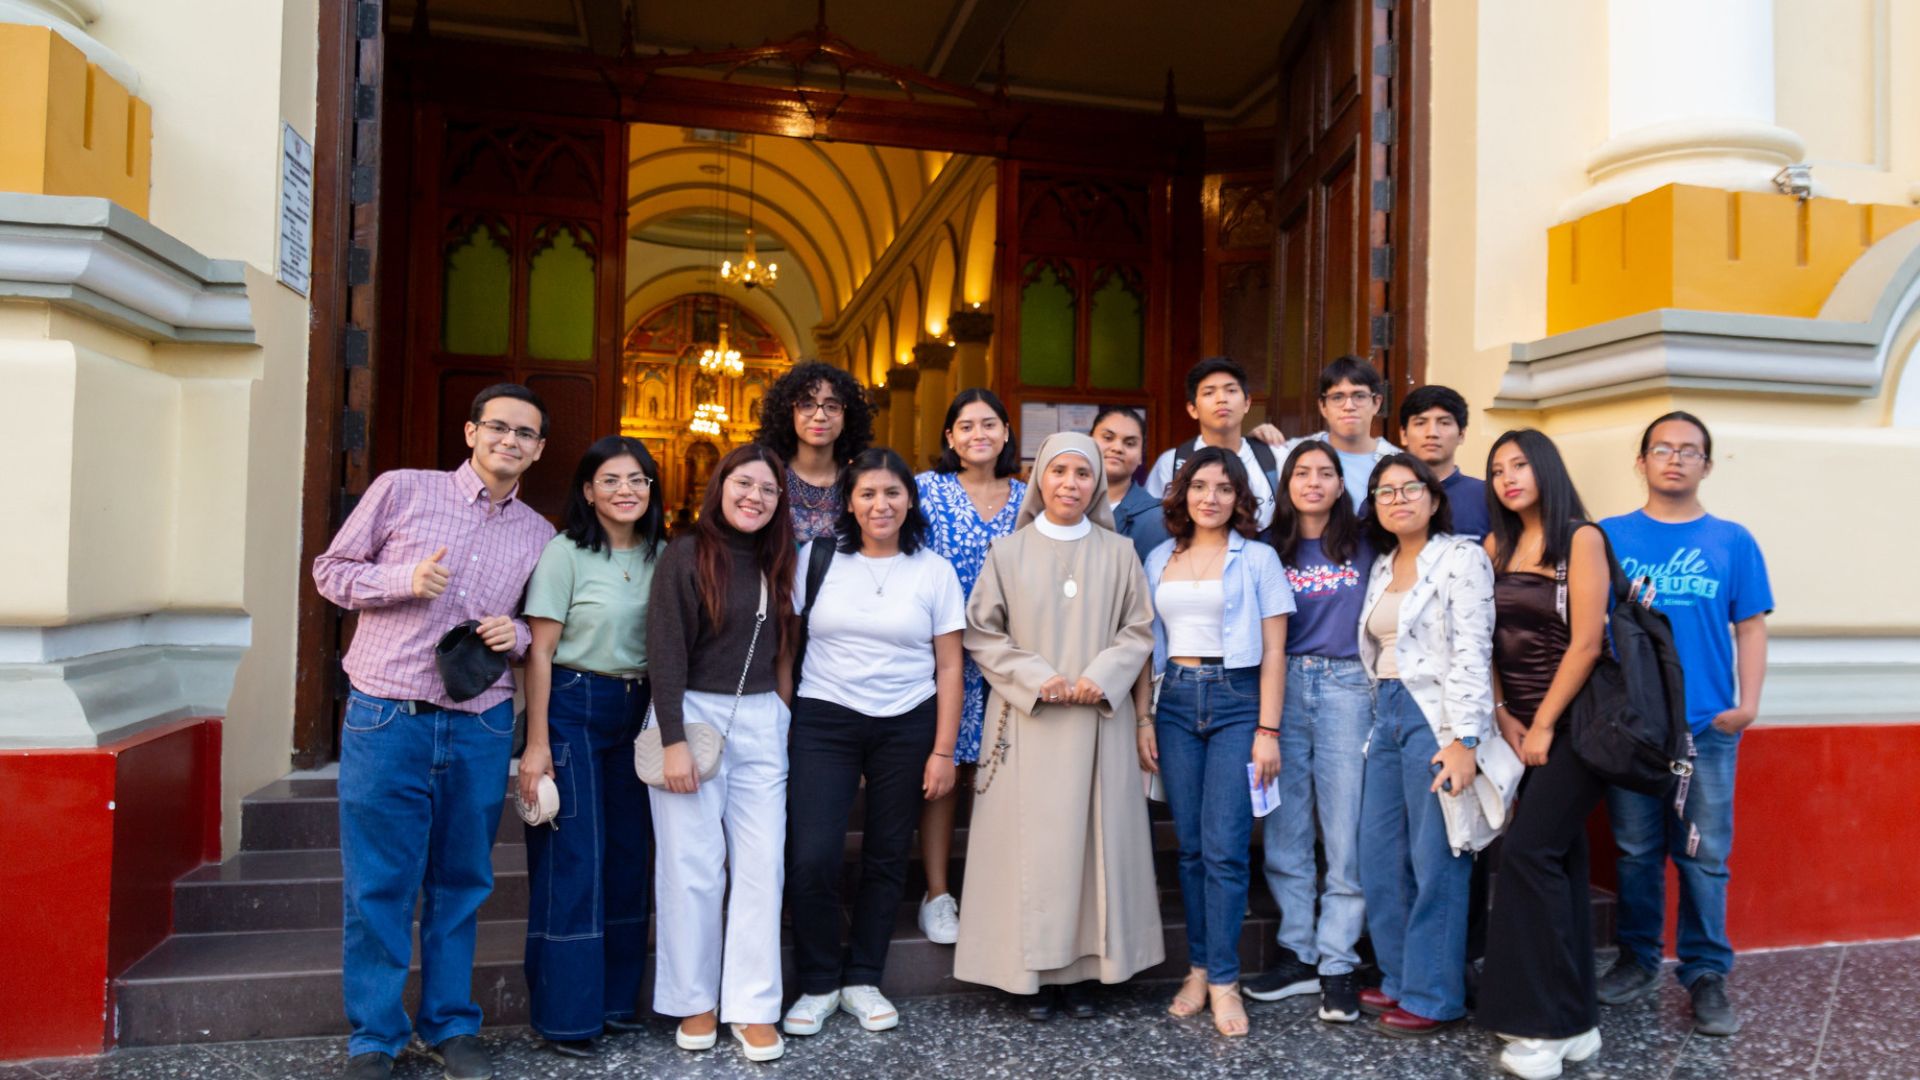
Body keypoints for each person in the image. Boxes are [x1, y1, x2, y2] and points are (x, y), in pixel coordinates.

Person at [312, 383, 556, 1080]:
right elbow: (330, 572)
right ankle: (376, 1037)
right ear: (471, 432)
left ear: (538, 450)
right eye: (499, 427)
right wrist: (403, 580)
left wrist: (514, 636)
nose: (510, 440)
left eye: (525, 434)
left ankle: (450, 1024)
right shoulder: (402, 490)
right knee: (379, 884)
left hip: (479, 724)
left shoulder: (540, 534)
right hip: (388, 715)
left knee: (462, 881)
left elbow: (537, 633)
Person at [956, 432, 1161, 1020]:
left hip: (1100, 723)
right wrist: (1036, 677)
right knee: (1032, 855)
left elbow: (1139, 630)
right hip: (1028, 720)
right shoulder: (1007, 552)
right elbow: (982, 633)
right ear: (1039, 478)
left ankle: (1086, 974)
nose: (1070, 483)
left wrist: (1102, 674)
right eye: (1059, 471)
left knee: (1096, 851)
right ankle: (1033, 976)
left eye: (1082, 473)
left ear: (1096, 483)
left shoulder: (1120, 553)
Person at [1596, 412, 1771, 1037]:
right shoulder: (1608, 536)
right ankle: (1637, 958)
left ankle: (1705, 974)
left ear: (1707, 465)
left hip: (1706, 727)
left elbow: (1750, 625)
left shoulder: (1732, 541)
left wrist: (1747, 705)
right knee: (1636, 851)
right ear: (1641, 461)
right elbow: (1587, 626)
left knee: (1705, 858)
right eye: (1662, 449)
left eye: (1689, 450)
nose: (1675, 459)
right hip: (1634, 729)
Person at [782, 448, 966, 1039]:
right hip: (824, 718)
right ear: (849, 502)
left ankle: (864, 976)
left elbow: (950, 667)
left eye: (892, 492)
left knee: (887, 853)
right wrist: (784, 720)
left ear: (909, 500)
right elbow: (788, 646)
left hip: (907, 721)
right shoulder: (817, 558)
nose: (880, 504)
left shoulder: (933, 570)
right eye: (867, 493)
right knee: (812, 854)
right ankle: (818, 980)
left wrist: (943, 750)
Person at [644, 444, 798, 1063]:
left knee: (763, 865)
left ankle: (754, 1005)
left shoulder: (779, 560)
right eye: (744, 484)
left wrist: (782, 714)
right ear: (720, 486)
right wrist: (673, 739)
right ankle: (695, 1000)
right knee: (692, 867)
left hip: (761, 719)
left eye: (768, 489)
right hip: (690, 715)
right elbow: (665, 650)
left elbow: (787, 647)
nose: (754, 497)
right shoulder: (685, 555)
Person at [1136, 447, 1291, 1037]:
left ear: (1239, 498)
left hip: (1238, 701)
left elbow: (1274, 650)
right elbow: (1145, 644)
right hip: (1173, 702)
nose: (1211, 497)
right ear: (1183, 493)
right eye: (1200, 486)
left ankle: (1225, 980)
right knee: (1192, 849)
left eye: (1224, 488)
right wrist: (1143, 720)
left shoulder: (1258, 559)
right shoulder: (1158, 557)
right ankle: (1198, 970)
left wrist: (1268, 730)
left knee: (1225, 848)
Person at [517, 436, 664, 1059]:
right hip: (573, 704)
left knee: (629, 855)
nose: (625, 490)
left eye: (637, 480)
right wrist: (536, 743)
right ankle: (566, 1017)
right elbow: (540, 653)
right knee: (575, 858)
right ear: (587, 490)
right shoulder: (565, 553)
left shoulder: (663, 555)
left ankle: (614, 1003)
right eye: (610, 480)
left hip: (639, 709)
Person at [1475, 429, 1612, 1079]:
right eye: (1497, 469)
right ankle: (1576, 1023)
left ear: (1547, 470)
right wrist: (1504, 712)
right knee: (1559, 860)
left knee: (1529, 855)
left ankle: (1544, 1030)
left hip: (1574, 725)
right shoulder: (1494, 546)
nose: (1508, 477)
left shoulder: (1581, 539)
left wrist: (1544, 726)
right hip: (1518, 723)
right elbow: (1483, 638)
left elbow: (1586, 644)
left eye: (1520, 465)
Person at [1351, 453, 1492, 1041]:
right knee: (1380, 856)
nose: (1398, 500)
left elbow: (1474, 649)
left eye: (1411, 489)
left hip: (1435, 717)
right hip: (1385, 714)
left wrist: (1465, 739)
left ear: (1434, 499)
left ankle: (1435, 995)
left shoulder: (1461, 557)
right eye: (1385, 492)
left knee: (1436, 858)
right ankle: (1401, 975)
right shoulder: (1383, 565)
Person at [1252, 440, 1374, 1022]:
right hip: (1282, 686)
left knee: (1345, 828)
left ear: (1341, 485)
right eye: (1302, 473)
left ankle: (1338, 961)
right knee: (1286, 826)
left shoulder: (1366, 542)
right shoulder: (1267, 547)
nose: (1314, 482)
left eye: (1326, 473)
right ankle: (1297, 950)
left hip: (1349, 686)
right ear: (1287, 484)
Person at [912, 388, 1026, 944]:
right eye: (966, 425)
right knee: (944, 775)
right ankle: (937, 895)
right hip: (940, 656)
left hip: (1009, 658)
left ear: (1006, 433)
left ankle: (990, 891)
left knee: (997, 776)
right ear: (950, 437)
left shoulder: (1030, 498)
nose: (978, 434)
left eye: (989, 424)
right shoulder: (924, 491)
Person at [1145, 357, 1282, 531]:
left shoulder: (1274, 456)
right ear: (1193, 409)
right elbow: (1153, 524)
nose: (1221, 399)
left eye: (1231, 390)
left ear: (1247, 403)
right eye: (1209, 393)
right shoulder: (1171, 462)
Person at [754, 361, 874, 544]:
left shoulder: (858, 481)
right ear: (790, 412)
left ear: (846, 417)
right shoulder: (770, 476)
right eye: (807, 405)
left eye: (832, 407)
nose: (820, 416)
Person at [1281, 355, 1401, 513]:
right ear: (1323, 406)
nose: (1349, 406)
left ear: (1377, 403)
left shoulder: (1398, 462)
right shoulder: (1290, 453)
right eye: (1337, 397)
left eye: (1359, 396)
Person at [1399, 384, 1489, 541]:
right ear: (1403, 435)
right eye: (1420, 423)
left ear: (1461, 434)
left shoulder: (1487, 498)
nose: (1432, 433)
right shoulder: (1385, 499)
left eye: (1444, 423)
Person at [1091, 404, 1169, 562]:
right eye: (1108, 438)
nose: (1117, 448)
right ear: (1088, 441)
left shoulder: (1155, 520)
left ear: (1140, 456)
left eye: (1130, 443)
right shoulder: (1065, 504)